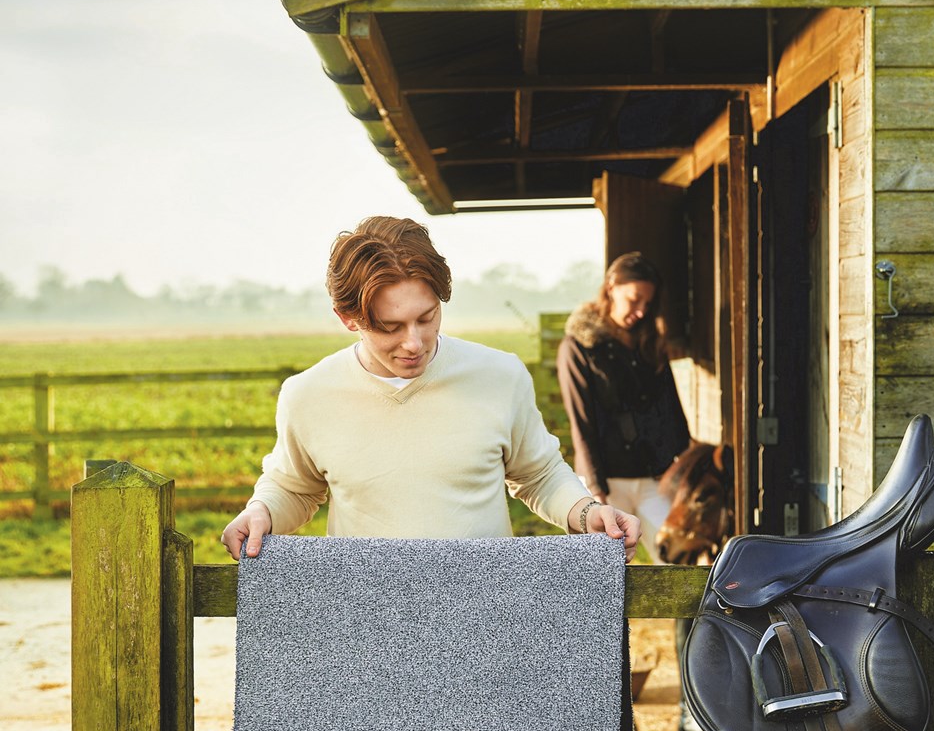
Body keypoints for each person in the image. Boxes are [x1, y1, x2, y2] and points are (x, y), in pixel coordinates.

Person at [221, 215, 641, 562]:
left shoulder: (500, 375)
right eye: (391, 327)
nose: (414, 342)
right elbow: (293, 487)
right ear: (348, 318)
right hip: (366, 619)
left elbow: (539, 475)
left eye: (426, 317)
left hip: (486, 614)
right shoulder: (307, 395)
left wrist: (587, 512)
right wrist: (261, 512)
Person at [556, 251, 690, 564]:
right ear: (611, 287)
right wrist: (596, 491)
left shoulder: (648, 343)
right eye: (635, 299)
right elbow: (581, 423)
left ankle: (686, 618)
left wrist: (681, 469)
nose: (641, 311)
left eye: (648, 303)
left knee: (678, 562)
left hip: (656, 479)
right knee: (607, 571)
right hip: (608, 481)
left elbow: (672, 410)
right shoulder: (578, 347)